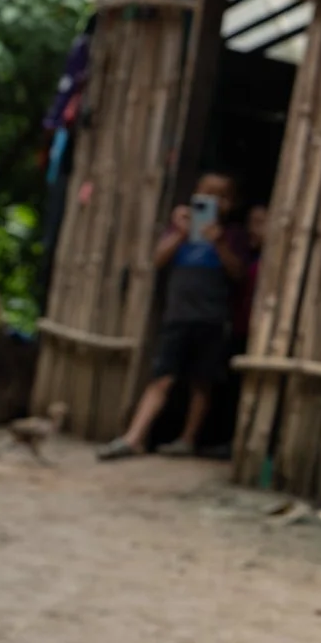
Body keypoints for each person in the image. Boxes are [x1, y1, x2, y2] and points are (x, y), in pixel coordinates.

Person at [98, 171, 246, 461]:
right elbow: (158, 260)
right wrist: (179, 233)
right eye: (207, 195)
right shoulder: (180, 229)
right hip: (177, 317)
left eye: (221, 197)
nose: (214, 202)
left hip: (212, 319)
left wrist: (219, 243)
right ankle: (134, 437)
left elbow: (239, 273)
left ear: (231, 203)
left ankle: (187, 440)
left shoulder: (232, 236)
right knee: (162, 378)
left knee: (201, 382)